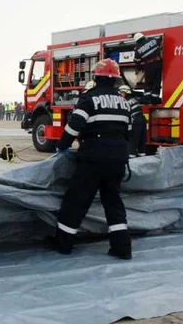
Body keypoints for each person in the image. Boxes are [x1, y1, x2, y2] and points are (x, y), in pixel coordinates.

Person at [50, 59, 133, 260]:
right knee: (113, 201)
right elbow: (128, 132)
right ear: (116, 79)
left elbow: (73, 126)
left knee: (76, 201)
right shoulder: (124, 102)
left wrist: (62, 146)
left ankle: (64, 245)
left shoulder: (89, 99)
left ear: (96, 77)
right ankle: (122, 248)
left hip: (93, 158)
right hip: (118, 159)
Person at [133, 32, 163, 105]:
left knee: (148, 82)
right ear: (143, 37)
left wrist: (139, 68)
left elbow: (137, 61)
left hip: (149, 65)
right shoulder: (152, 39)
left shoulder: (137, 48)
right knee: (157, 81)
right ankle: (155, 98)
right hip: (159, 63)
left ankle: (147, 98)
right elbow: (160, 40)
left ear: (136, 41)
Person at [119, 85, 147, 158]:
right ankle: (142, 157)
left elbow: (126, 114)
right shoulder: (134, 99)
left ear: (124, 92)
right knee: (141, 141)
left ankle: (131, 158)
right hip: (142, 120)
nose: (120, 95)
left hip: (135, 121)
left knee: (132, 141)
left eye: (121, 93)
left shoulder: (125, 101)